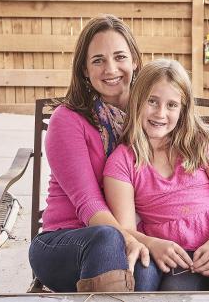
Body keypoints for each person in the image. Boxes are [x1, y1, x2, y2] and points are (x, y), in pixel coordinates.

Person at [28, 15, 160, 292]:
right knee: (107, 238)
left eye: (120, 57)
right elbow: (87, 203)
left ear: (135, 60)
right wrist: (133, 238)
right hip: (67, 241)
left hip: (132, 237)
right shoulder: (68, 120)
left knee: (145, 274)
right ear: (85, 70)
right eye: (98, 60)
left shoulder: (153, 117)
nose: (111, 69)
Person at [103, 59, 209, 291]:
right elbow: (125, 231)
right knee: (174, 294)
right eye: (152, 101)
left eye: (172, 105)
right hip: (175, 255)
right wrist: (154, 245)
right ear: (137, 101)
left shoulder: (201, 145)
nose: (161, 113)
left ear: (183, 110)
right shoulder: (122, 162)